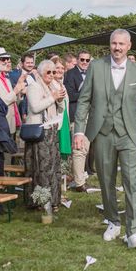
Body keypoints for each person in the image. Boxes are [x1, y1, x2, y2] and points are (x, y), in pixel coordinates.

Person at [73, 29, 136, 248]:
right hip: (102, 133)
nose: (117, 48)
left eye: (121, 44)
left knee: (132, 182)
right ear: (110, 44)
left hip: (129, 134)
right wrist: (79, 130)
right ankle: (113, 222)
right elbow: (84, 100)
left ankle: (133, 230)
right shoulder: (96, 66)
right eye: (114, 43)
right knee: (106, 180)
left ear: (129, 45)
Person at [25, 60, 66, 208]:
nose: (52, 75)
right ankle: (40, 201)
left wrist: (60, 99)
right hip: (39, 132)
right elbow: (35, 107)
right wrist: (52, 97)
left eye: (54, 72)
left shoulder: (52, 87)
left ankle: (53, 200)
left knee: (53, 168)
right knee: (41, 168)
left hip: (52, 130)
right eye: (49, 72)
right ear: (41, 73)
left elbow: (60, 107)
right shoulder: (34, 87)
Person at [65, 50, 92, 192]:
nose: (85, 63)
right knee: (78, 148)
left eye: (88, 60)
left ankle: (80, 177)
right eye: (82, 60)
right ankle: (79, 182)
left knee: (85, 148)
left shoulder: (92, 73)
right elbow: (71, 95)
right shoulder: (70, 74)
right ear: (78, 59)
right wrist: (88, 93)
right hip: (77, 115)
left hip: (92, 115)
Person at [0, 47, 25, 136]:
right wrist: (16, 90)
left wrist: (20, 91)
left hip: (12, 123)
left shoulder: (6, 78)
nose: (6, 61)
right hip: (2, 124)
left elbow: (14, 102)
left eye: (7, 59)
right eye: (2, 59)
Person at [52, 57, 72, 159]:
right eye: (57, 67)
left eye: (62, 68)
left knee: (63, 149)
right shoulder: (50, 84)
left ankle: (63, 172)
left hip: (64, 118)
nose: (60, 70)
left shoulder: (62, 85)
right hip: (56, 119)